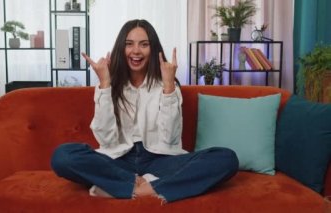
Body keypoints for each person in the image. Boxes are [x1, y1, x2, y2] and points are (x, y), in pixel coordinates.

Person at [51, 19, 239, 203]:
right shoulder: (109, 84)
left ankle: (136, 188)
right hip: (118, 159)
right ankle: (136, 182)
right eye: (129, 44)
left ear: (153, 49)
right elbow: (106, 140)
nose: (136, 51)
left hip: (160, 160)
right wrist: (105, 85)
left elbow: (170, 139)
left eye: (144, 45)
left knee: (226, 158)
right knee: (63, 156)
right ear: (121, 49)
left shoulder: (168, 84)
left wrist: (168, 87)